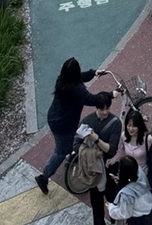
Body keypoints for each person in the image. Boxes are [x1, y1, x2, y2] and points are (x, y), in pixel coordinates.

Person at [36, 58, 103, 194]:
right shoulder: (76, 89)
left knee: (74, 136)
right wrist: (109, 95)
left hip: (55, 118)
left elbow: (80, 77)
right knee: (60, 151)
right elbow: (91, 99)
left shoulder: (62, 80)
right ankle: (44, 177)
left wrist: (93, 73)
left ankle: (71, 154)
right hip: (64, 125)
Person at [83, 92, 122, 225]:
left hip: (109, 166)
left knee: (112, 196)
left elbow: (111, 150)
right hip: (93, 167)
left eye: (107, 108)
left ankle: (114, 220)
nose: (105, 112)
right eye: (102, 109)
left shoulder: (115, 123)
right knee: (96, 200)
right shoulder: (87, 121)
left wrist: (96, 139)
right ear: (96, 108)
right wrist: (92, 153)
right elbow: (77, 144)